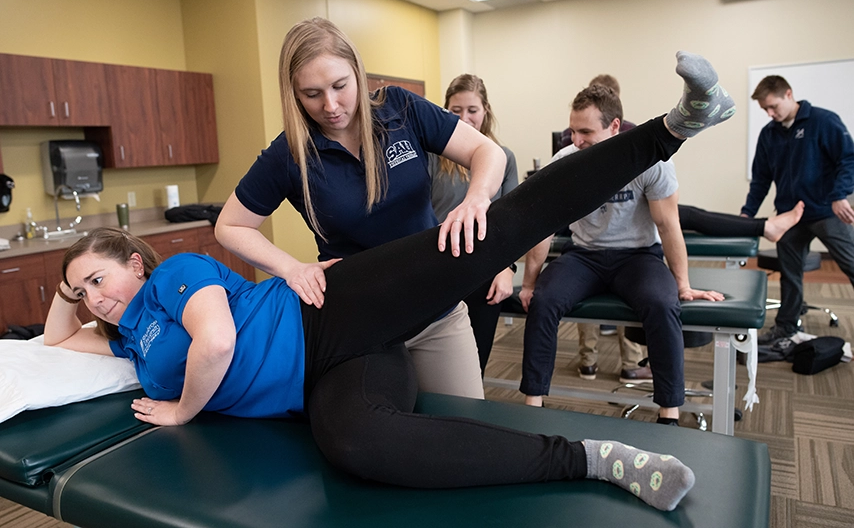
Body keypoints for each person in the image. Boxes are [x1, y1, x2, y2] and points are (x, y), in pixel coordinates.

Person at [43, 50, 735, 511]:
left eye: (100, 277)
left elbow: (218, 342)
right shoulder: (130, 341)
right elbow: (53, 339)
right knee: (357, 444)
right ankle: (597, 456)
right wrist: (69, 284)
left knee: (498, 227)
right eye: (86, 292)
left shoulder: (174, 280)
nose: (97, 297)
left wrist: (183, 405)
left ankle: (671, 129)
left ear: (136, 261)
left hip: (334, 304)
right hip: (329, 375)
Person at [214, 17, 511, 400]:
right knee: (387, 441)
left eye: (340, 86)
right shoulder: (289, 154)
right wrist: (291, 268)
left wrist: (476, 197)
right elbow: (230, 226)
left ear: (357, 72)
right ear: (293, 94)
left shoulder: (400, 109)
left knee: (466, 429)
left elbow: (486, 151)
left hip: (436, 309)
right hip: (360, 323)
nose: (331, 105)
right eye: (312, 93)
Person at [519, 81, 731, 425]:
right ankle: (533, 403)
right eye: (572, 131)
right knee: (544, 301)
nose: (576, 140)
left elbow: (668, 225)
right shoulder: (566, 162)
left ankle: (669, 413)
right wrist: (529, 283)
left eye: (586, 132)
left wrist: (683, 284)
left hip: (637, 257)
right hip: (583, 255)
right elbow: (543, 225)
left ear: (615, 126)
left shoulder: (650, 163)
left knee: (663, 304)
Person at [742, 75, 854, 344]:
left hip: (827, 211)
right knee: (790, 276)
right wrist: (747, 214)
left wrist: (840, 195)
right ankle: (786, 327)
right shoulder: (769, 134)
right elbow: (760, 179)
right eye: (764, 110)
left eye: (773, 107)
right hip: (790, 217)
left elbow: (848, 160)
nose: (770, 114)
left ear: (788, 95)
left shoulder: (823, 121)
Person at [428, 73, 519, 375]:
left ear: (486, 111)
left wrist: (506, 270)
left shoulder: (503, 158)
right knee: (432, 365)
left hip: (483, 268)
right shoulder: (431, 156)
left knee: (472, 367)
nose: (464, 119)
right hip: (436, 264)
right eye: (455, 112)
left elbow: (511, 221)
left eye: (472, 111)